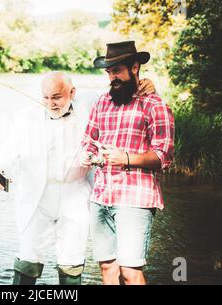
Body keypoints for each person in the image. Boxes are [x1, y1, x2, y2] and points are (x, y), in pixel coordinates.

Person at [0, 71, 156, 285]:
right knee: (28, 255)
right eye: (46, 97)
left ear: (72, 93)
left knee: (72, 259)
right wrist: (0, 170)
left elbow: (119, 93)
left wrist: (146, 86)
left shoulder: (90, 104)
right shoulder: (25, 116)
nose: (51, 103)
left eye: (57, 97)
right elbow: (8, 151)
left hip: (75, 194)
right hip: (36, 195)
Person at [80, 41, 175, 285]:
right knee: (107, 267)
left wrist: (127, 158)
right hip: (101, 197)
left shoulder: (156, 106)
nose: (112, 77)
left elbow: (164, 156)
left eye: (117, 70)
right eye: (109, 72)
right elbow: (89, 142)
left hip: (135, 200)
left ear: (135, 68)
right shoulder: (101, 102)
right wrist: (88, 155)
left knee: (130, 272)